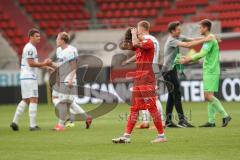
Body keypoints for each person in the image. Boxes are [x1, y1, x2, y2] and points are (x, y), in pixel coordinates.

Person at [112, 21, 166, 143]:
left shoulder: (149, 42)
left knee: (151, 107)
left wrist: (133, 34)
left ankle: (162, 136)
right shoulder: (140, 44)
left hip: (147, 78)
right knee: (134, 108)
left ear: (140, 30)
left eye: (137, 29)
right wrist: (129, 37)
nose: (135, 31)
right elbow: (126, 46)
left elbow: (136, 43)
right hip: (139, 79)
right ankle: (126, 136)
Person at [179, 19, 232, 127]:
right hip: (210, 70)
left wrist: (188, 60)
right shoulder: (210, 38)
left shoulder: (210, 40)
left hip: (211, 71)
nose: (199, 29)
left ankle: (225, 115)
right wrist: (189, 58)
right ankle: (211, 121)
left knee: (207, 96)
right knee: (209, 96)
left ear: (206, 28)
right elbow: (200, 53)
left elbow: (202, 54)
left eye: (200, 27)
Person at [162, 21, 214, 128]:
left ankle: (168, 121)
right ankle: (182, 120)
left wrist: (208, 38)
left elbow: (192, 40)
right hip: (167, 71)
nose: (179, 30)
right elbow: (188, 45)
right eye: (177, 29)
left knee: (172, 96)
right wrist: (206, 39)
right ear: (172, 31)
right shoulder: (172, 40)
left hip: (171, 70)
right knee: (176, 95)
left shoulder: (179, 36)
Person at [10, 28, 53, 131]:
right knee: (34, 99)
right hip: (29, 77)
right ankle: (32, 125)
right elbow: (31, 63)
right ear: (31, 37)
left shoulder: (30, 47)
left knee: (25, 99)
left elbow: (34, 64)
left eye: (39, 36)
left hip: (24, 76)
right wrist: (45, 63)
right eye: (37, 36)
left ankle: (14, 122)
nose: (39, 38)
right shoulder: (30, 48)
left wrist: (46, 67)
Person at [51, 32, 92, 131]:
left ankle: (61, 125)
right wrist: (50, 65)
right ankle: (87, 117)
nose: (56, 40)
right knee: (69, 103)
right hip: (62, 79)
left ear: (62, 40)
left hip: (69, 79)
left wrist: (70, 79)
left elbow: (74, 66)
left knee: (63, 103)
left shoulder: (70, 50)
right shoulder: (59, 50)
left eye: (57, 38)